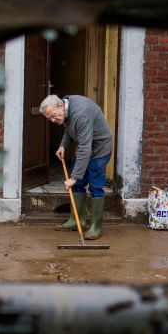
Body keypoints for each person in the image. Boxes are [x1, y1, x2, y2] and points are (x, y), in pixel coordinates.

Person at [39, 94, 113, 239]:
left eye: (53, 116)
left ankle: (96, 227)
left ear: (60, 106)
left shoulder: (81, 114)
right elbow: (69, 126)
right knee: (77, 184)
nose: (53, 120)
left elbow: (85, 147)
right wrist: (63, 145)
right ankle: (76, 221)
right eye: (50, 119)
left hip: (99, 150)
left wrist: (74, 176)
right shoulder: (66, 107)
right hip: (86, 148)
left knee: (95, 186)